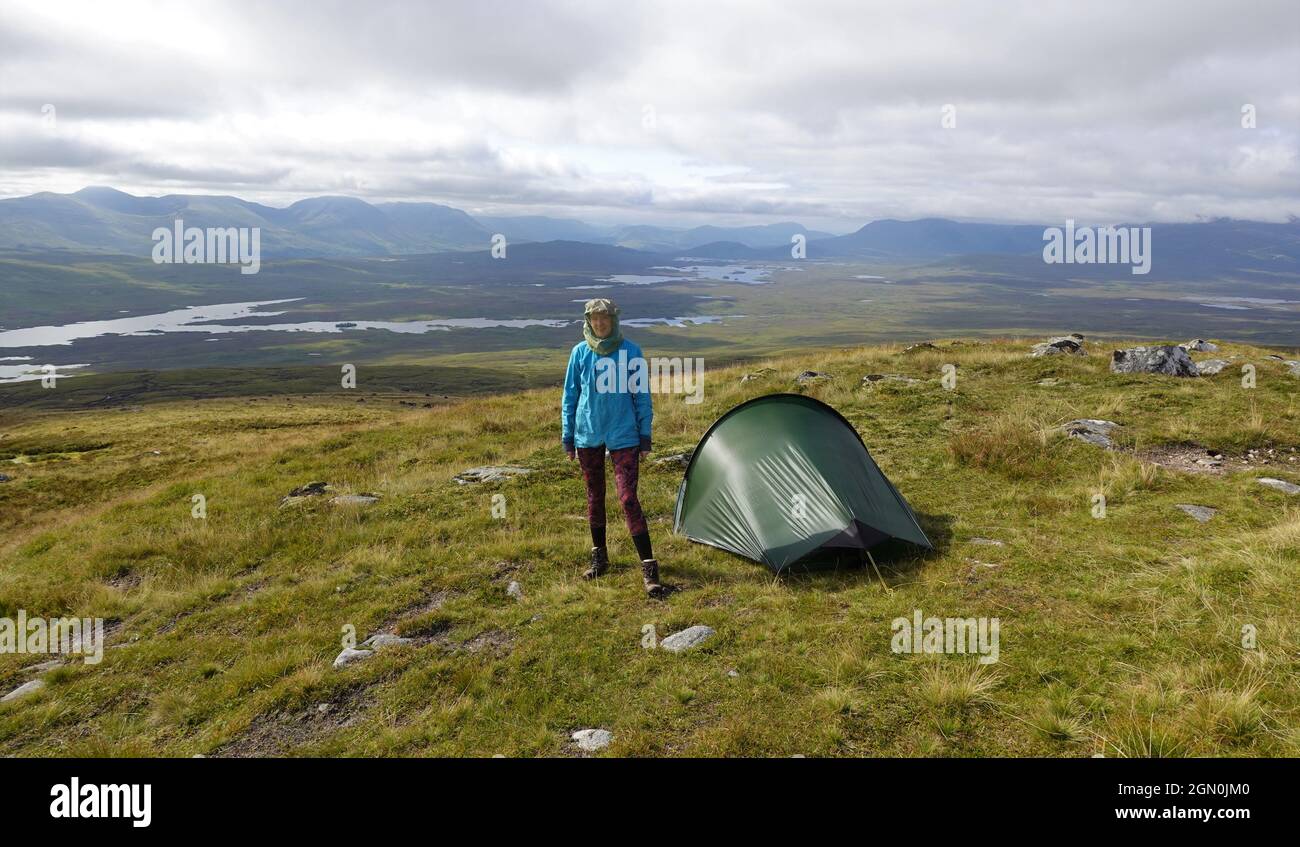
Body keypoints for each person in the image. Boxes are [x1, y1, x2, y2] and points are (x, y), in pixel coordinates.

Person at [561, 298, 670, 598]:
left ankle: (649, 566)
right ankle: (600, 556)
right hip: (588, 435)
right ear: (588, 320)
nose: (599, 323)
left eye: (604, 318)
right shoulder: (579, 353)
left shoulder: (631, 352)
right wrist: (568, 436)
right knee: (594, 496)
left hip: (624, 436)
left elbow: (642, 396)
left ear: (613, 319)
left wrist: (644, 436)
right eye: (594, 318)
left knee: (628, 499)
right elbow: (570, 396)